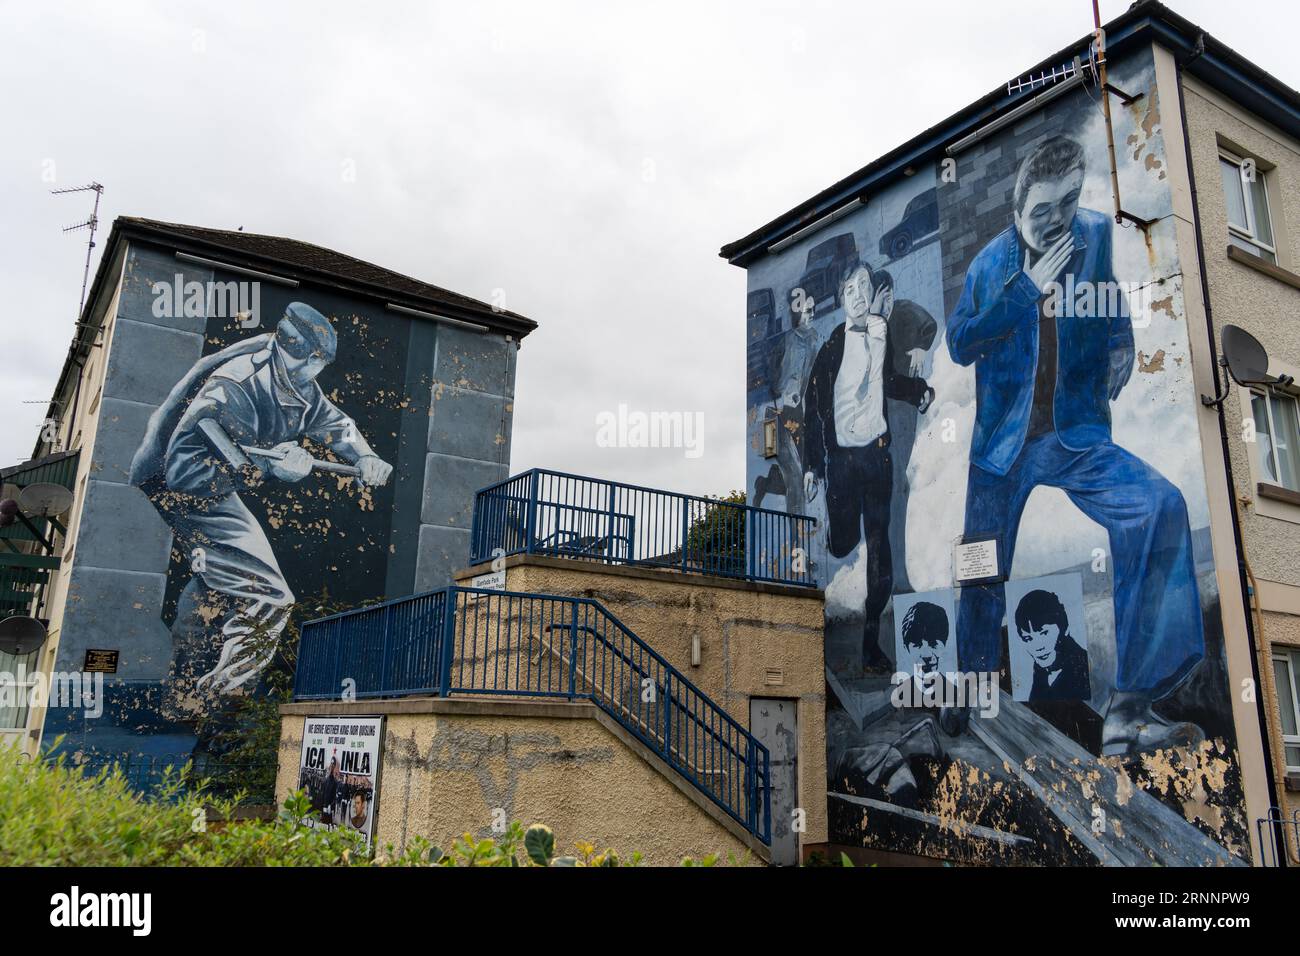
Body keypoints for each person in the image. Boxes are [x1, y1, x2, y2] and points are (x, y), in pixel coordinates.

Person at [946, 135, 1203, 756]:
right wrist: (1024, 291)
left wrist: (1121, 343)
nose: (1057, 219)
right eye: (1042, 211)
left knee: (1161, 506)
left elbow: (1110, 297)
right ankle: (970, 687)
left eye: (1067, 201)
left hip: (1073, 434)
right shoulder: (989, 265)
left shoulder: (1094, 235)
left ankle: (1131, 706)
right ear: (1016, 212)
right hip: (1002, 448)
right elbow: (960, 342)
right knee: (981, 569)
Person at [131, 302, 393, 696]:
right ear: (314, 359)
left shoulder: (293, 376)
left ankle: (181, 692)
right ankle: (222, 698)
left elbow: (333, 423)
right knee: (271, 596)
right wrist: (271, 469)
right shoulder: (236, 384)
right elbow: (184, 473)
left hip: (209, 479)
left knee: (222, 580)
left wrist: (366, 456)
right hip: (181, 483)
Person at [803, 261, 934, 670]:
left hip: (877, 458)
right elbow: (812, 409)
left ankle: (871, 641)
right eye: (851, 290)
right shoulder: (831, 347)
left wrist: (919, 392)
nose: (859, 295)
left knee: (880, 549)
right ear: (842, 299)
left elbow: (889, 380)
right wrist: (813, 466)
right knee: (843, 542)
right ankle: (838, 534)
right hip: (842, 462)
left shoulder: (881, 333)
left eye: (865, 287)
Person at [753, 287, 820, 516]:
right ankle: (798, 535)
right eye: (808, 310)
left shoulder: (813, 339)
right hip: (773, 415)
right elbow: (769, 376)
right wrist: (781, 393)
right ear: (796, 312)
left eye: (813, 309)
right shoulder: (787, 341)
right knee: (794, 475)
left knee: (797, 473)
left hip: (794, 413)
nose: (812, 314)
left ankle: (768, 483)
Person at [1014, 589, 1090, 701]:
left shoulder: (1085, 668)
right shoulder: (1040, 672)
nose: (1038, 647)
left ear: (1064, 628)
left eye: (1044, 633)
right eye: (1028, 638)